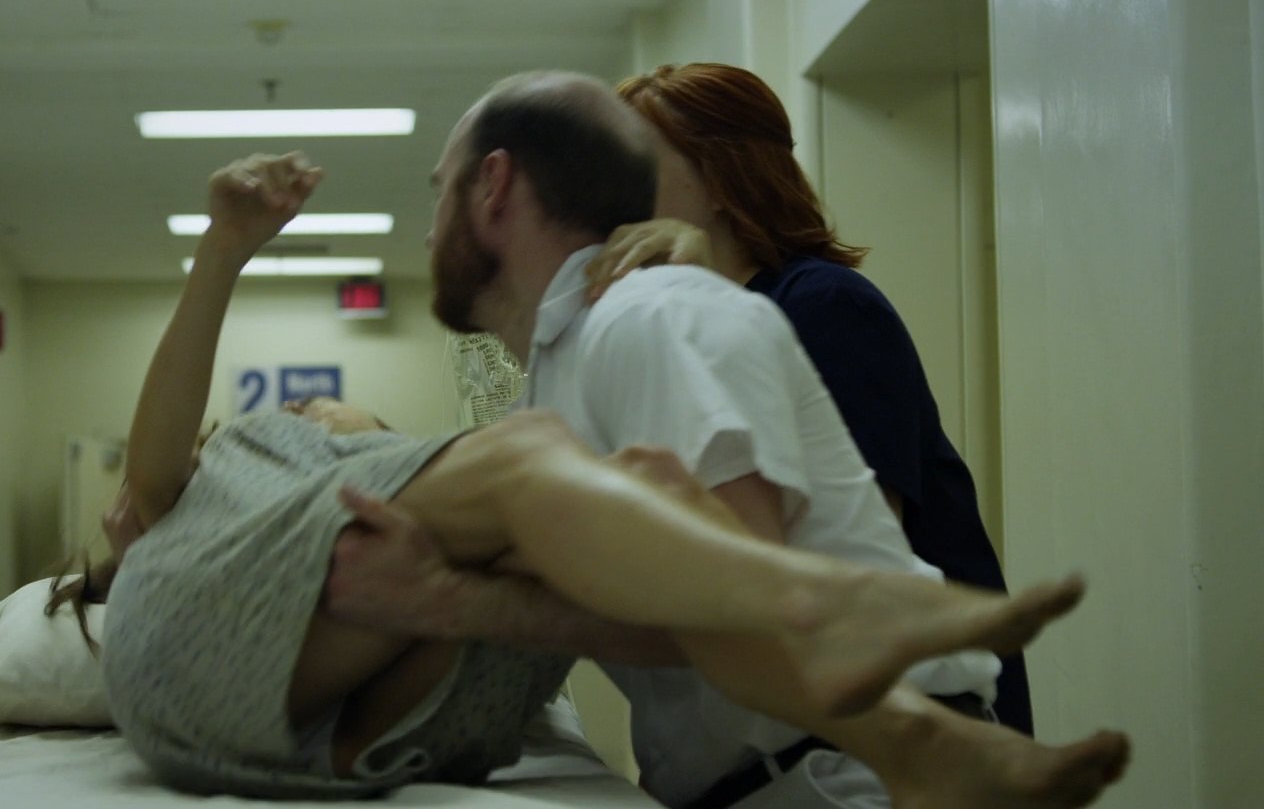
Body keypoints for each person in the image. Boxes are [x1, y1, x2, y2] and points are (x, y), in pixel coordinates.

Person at [85, 148, 1114, 804]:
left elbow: (651, 606)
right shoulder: (253, 476)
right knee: (545, 463)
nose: (310, 414)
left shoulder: (483, 503)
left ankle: (913, 741)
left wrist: (695, 258)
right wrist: (224, 250)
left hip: (332, 723)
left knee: (651, 498)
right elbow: (160, 474)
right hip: (192, 652)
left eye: (322, 411)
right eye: (301, 412)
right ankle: (832, 603)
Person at [323, 70, 1117, 808]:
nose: (427, 233)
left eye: (441, 192)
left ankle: (868, 633)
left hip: (842, 767)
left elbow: (737, 592)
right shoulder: (565, 376)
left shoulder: (662, 313)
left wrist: (468, 600)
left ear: (493, 185)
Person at [585, 61, 1031, 734]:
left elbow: (855, 539)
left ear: (722, 178)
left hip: (926, 706)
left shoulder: (827, 305)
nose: (613, 193)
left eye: (638, 164)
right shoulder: (671, 318)